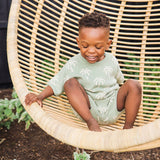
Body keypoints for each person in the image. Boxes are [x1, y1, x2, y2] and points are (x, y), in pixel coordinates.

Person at [25, 12, 142, 132]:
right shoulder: (74, 63)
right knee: (69, 83)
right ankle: (92, 123)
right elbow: (58, 81)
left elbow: (121, 82)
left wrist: (129, 93)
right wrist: (40, 96)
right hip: (88, 110)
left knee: (134, 84)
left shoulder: (111, 60)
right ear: (78, 42)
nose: (91, 51)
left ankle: (128, 127)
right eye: (85, 46)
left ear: (108, 44)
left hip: (113, 106)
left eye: (98, 47)